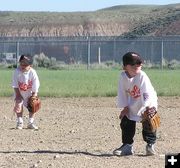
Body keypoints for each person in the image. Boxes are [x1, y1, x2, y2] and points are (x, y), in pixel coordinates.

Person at [113, 52, 158, 156]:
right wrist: (125, 107)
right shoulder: (123, 76)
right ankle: (127, 146)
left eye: (139, 63)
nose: (137, 65)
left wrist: (147, 107)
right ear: (125, 67)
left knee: (149, 120)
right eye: (133, 64)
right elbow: (122, 92)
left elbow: (147, 94)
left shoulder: (142, 75)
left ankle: (150, 145)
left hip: (148, 102)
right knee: (126, 120)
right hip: (132, 102)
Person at [12, 54, 40, 130]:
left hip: (29, 93)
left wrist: (34, 95)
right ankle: (19, 122)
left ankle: (30, 122)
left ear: (30, 65)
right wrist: (18, 95)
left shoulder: (32, 73)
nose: (23, 65)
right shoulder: (16, 72)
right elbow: (15, 85)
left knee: (33, 104)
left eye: (26, 64)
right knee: (19, 105)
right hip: (19, 92)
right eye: (21, 63)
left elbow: (35, 85)